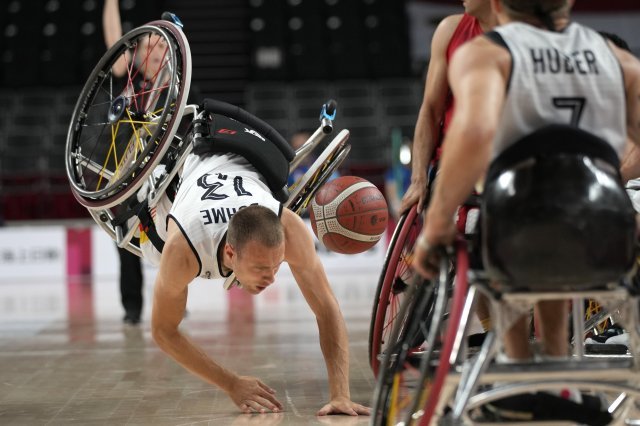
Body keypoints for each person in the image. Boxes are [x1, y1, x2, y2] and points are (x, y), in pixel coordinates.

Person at [413, 0, 640, 421]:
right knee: (557, 233)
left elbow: (474, 133)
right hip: (607, 238)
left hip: (517, 233)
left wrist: (438, 223)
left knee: (519, 227)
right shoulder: (615, 56)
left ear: (497, 6)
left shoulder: (486, 53)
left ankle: (521, 379)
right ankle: (556, 384)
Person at [400, 0, 497, 214]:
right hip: (455, 163)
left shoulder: (528, 39)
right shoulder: (450, 30)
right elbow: (431, 110)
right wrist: (418, 179)